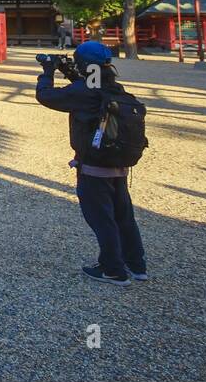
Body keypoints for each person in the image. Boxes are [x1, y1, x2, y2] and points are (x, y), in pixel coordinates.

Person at [35, 41, 148, 287]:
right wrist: (69, 71)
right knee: (123, 216)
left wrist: (47, 72)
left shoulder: (84, 91)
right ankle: (136, 265)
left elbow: (46, 96)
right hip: (118, 164)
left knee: (101, 218)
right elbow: (88, 84)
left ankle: (113, 269)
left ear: (84, 65)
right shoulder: (113, 86)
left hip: (94, 166)